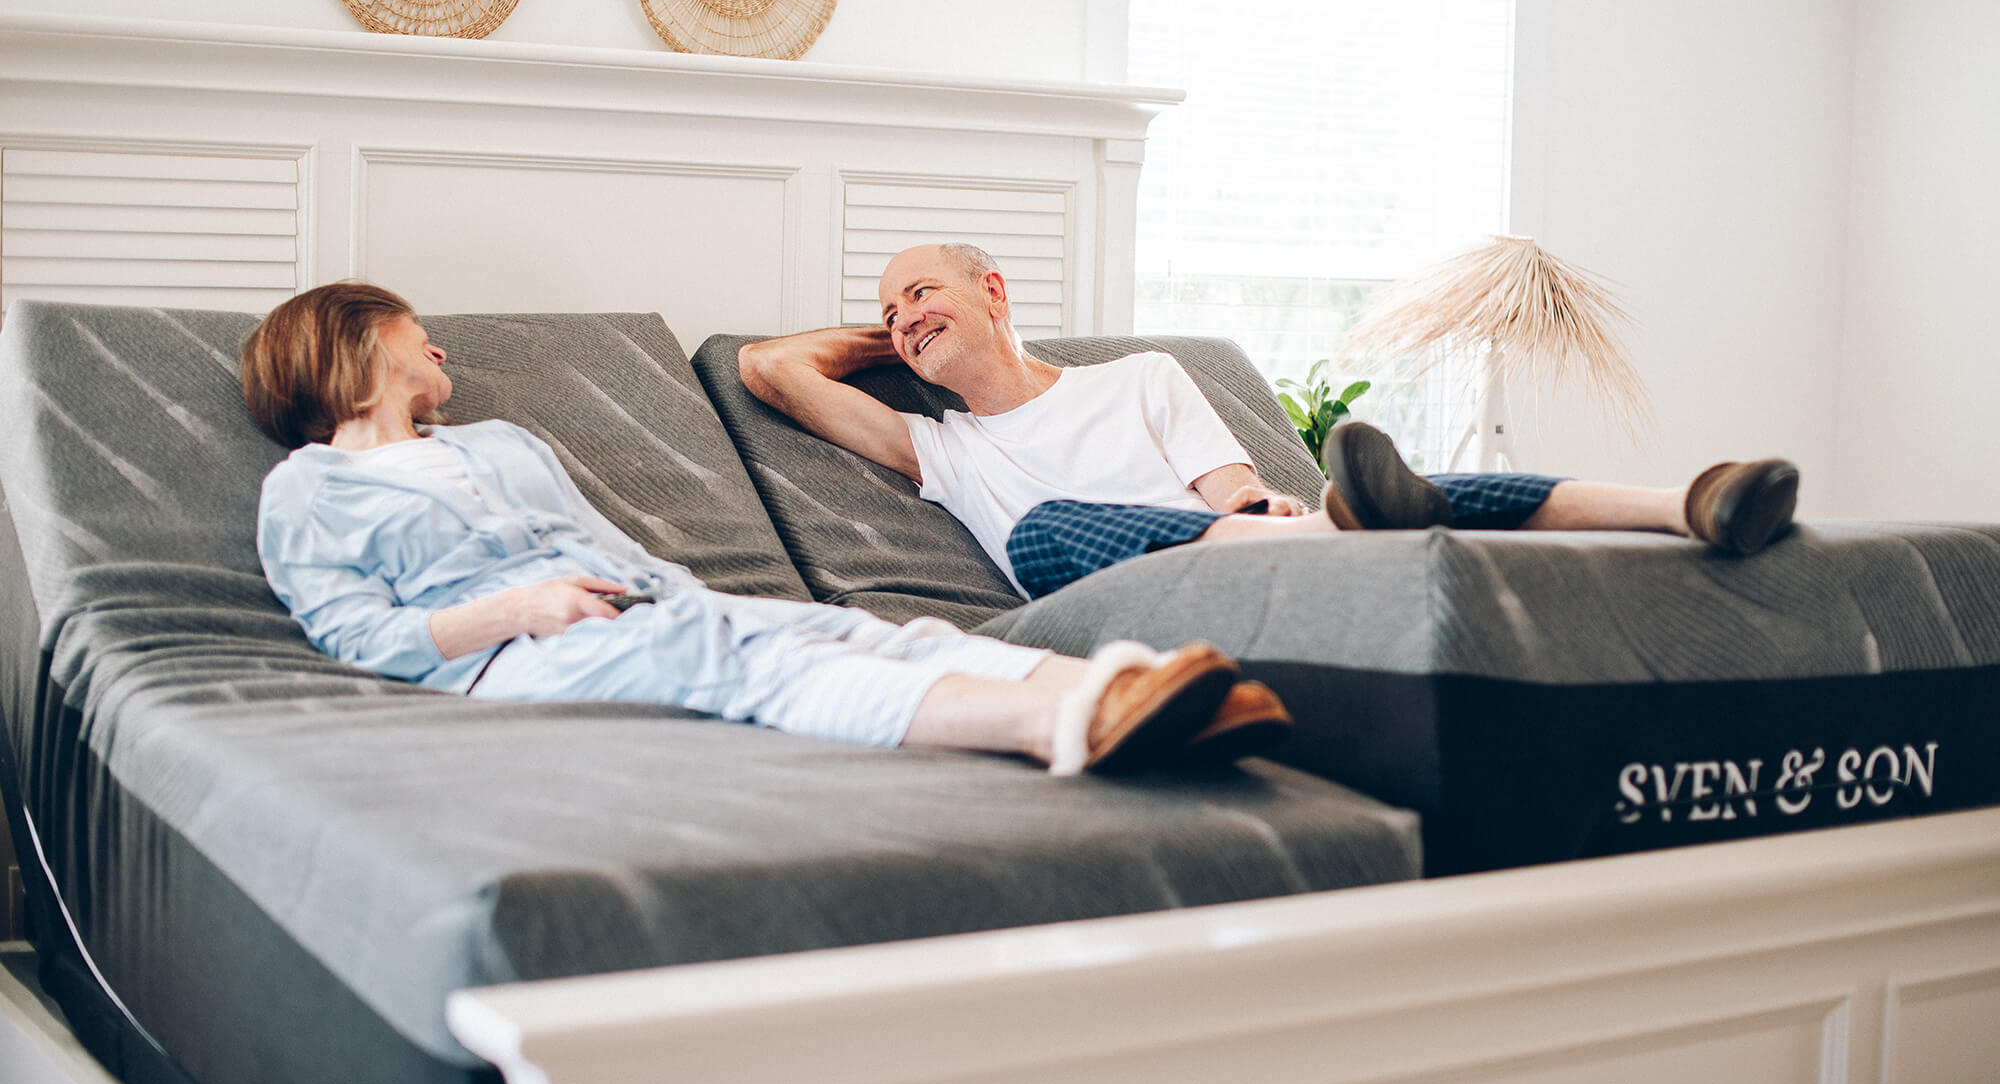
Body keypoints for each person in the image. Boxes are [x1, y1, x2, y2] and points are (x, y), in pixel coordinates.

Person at [242, 283, 1292, 774]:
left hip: (625, 612)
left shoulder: (500, 440)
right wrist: (515, 610)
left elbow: (614, 552)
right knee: (724, 655)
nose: (440, 354)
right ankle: (1052, 726)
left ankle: (1131, 694)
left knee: (856, 631)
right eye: (418, 340)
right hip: (502, 661)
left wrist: (693, 593)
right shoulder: (308, 490)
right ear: (355, 349)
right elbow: (356, 638)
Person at [737, 242, 1800, 599]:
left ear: (996, 289)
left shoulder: (1142, 378)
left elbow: (1227, 492)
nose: (902, 314)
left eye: (921, 291)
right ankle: (1353, 525)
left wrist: (1268, 511)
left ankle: (1693, 503)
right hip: (1101, 584)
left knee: (1393, 501)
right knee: (1046, 524)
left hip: (1238, 555)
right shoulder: (945, 449)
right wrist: (904, 340)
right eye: (886, 310)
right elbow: (765, 367)